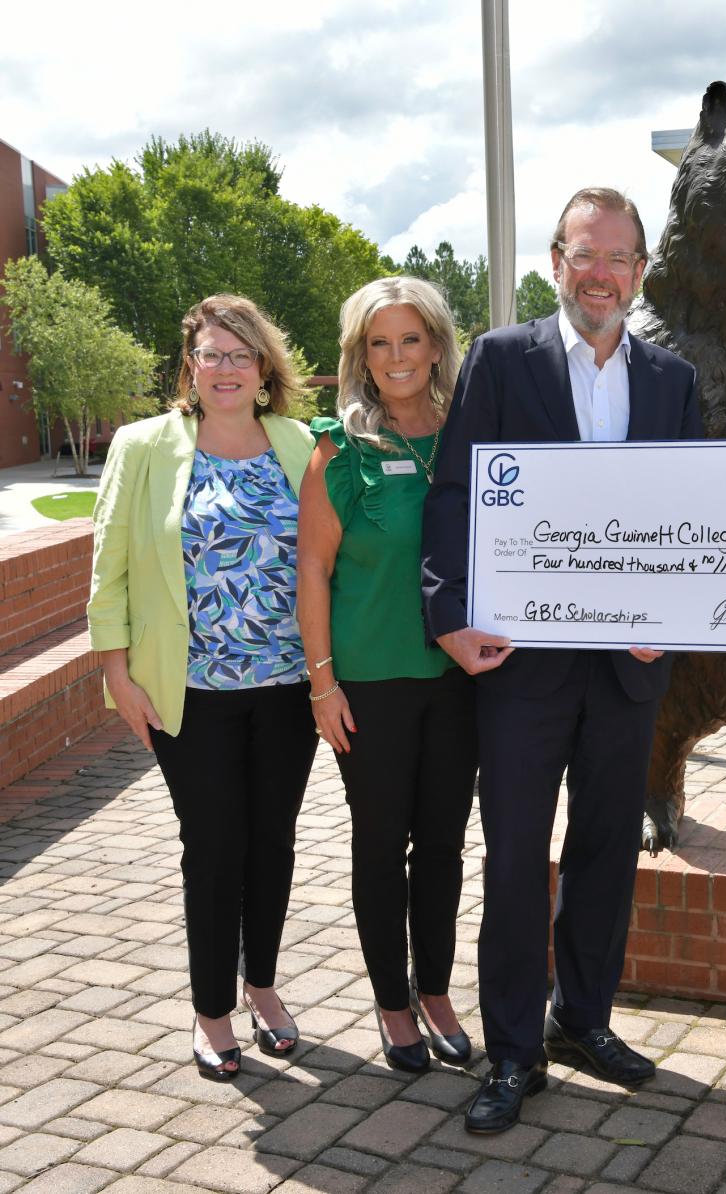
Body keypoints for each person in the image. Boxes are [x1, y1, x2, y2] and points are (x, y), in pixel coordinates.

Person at [422, 187, 701, 1134]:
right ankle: (512, 1051)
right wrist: (448, 616)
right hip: (520, 663)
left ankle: (582, 1020)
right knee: (513, 857)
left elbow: (689, 514)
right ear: (556, 262)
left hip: (628, 666)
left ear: (639, 273)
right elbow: (456, 490)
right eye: (585, 254)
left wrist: (680, 614)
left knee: (604, 855)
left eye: (620, 258)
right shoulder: (503, 359)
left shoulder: (673, 380)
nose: (601, 273)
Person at [87, 295, 317, 1080]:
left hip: (289, 689)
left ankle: (263, 986)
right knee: (213, 847)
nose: (226, 368)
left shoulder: (300, 442)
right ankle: (211, 1009)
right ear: (190, 366)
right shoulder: (144, 446)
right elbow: (110, 563)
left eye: (241, 354)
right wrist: (116, 671)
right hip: (190, 692)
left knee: (274, 844)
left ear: (264, 367)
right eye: (211, 354)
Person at [297, 276, 477, 1074]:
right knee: (380, 844)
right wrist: (322, 685)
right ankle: (392, 1002)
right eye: (380, 343)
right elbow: (312, 571)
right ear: (359, 356)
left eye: (411, 339)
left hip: (459, 678)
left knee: (441, 843)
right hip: (368, 683)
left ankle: (435, 989)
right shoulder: (338, 448)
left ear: (436, 345)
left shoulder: (471, 437)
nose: (397, 357)